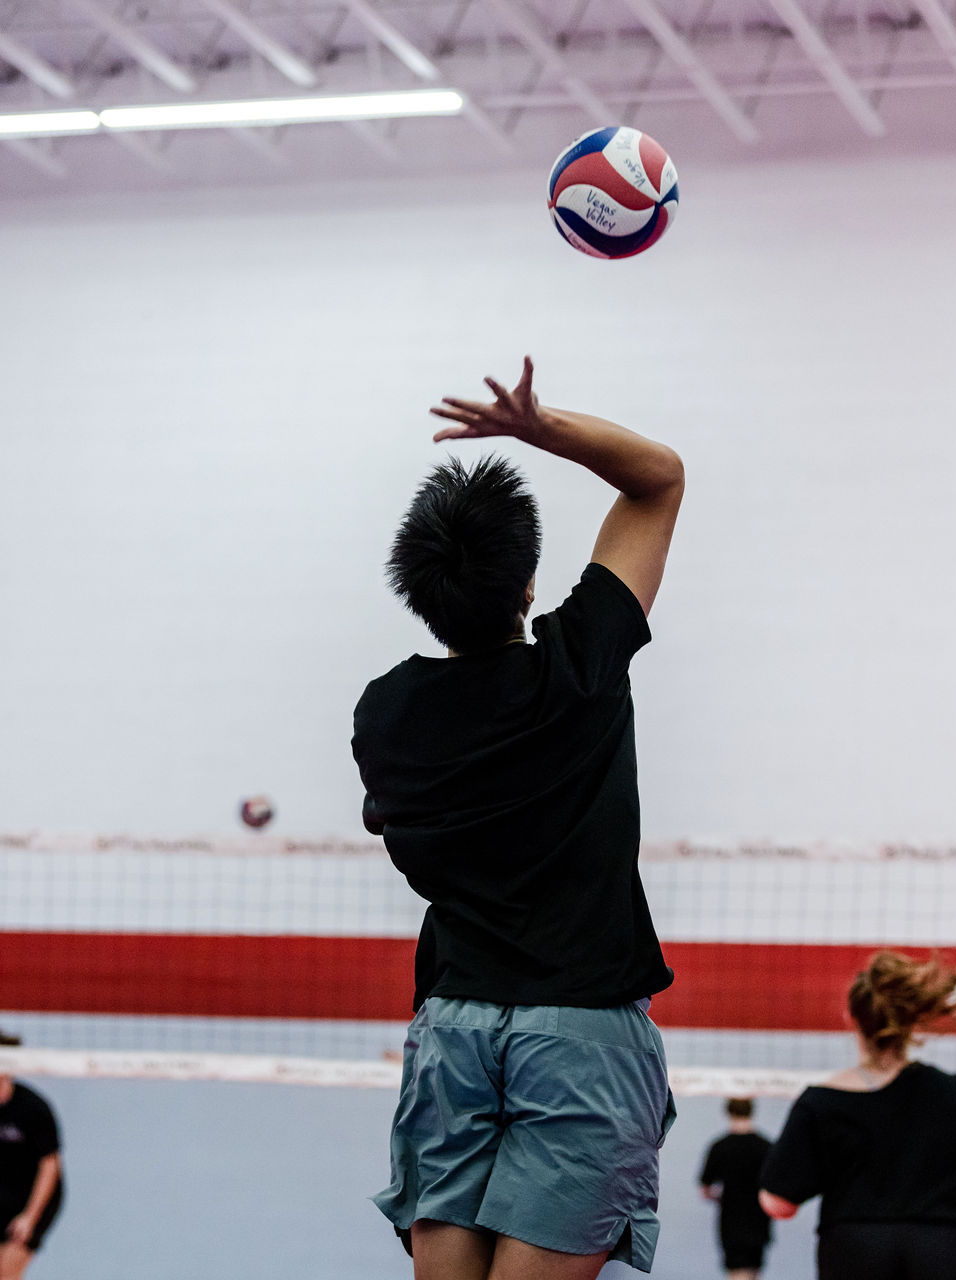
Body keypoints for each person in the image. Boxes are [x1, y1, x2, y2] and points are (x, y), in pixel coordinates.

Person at [351, 356, 684, 1280]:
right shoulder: (576, 672)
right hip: (580, 1031)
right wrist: (542, 430)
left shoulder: (385, 713)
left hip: (452, 1024)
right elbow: (659, 477)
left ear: (418, 594)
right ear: (529, 585)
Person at [759, 951, 956, 1280]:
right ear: (911, 1020)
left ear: (851, 1018)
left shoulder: (820, 1102)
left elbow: (777, 1204)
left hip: (854, 1251)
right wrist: (952, 1220)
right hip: (942, 1249)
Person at [0, 1033, 63, 1280]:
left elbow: (50, 1165)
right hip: (2, 1195)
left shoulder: (33, 1108)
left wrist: (30, 1217)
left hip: (31, 1198)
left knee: (6, 1273)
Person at [699, 1097, 773, 1280]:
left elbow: (705, 1189)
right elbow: (776, 1185)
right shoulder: (766, 1146)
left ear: (728, 1112)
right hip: (759, 1217)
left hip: (731, 1217)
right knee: (754, 1270)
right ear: (751, 1111)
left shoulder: (719, 1147)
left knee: (736, 1272)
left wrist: (722, 1198)